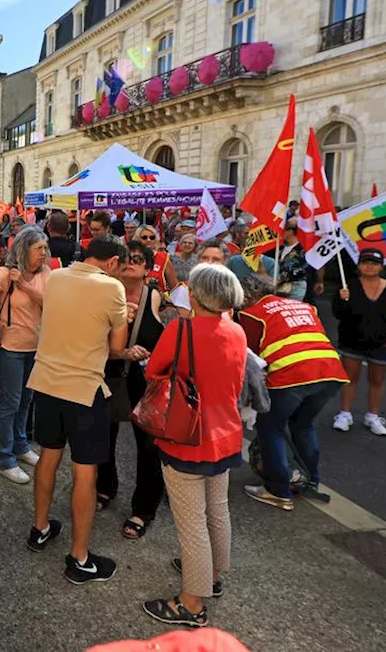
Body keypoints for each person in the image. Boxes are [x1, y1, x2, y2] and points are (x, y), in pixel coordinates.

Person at [142, 264, 247, 629]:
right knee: (217, 510)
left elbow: (153, 371)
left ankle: (191, 603)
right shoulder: (236, 331)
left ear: (197, 294)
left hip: (187, 436)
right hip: (226, 434)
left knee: (191, 525)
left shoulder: (179, 329)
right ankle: (213, 577)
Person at [27, 236, 132, 585]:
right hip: (85, 389)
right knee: (85, 473)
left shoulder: (56, 276)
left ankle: (40, 528)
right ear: (113, 262)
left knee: (48, 457)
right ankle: (80, 557)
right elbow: (117, 348)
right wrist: (123, 319)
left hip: (45, 381)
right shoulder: (113, 288)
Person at [236, 274, 349, 510]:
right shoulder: (305, 306)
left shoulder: (251, 313)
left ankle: (278, 490)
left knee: (270, 428)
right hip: (330, 371)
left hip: (291, 375)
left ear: (245, 296)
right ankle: (311, 480)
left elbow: (251, 357)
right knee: (303, 425)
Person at [99, 239, 169, 540]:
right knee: (104, 437)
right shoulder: (104, 291)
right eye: (127, 257)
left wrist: (151, 354)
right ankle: (104, 487)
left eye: (138, 259)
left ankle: (143, 509)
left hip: (146, 381)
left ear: (148, 269)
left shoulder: (155, 298)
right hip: (108, 374)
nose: (131, 262)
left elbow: (170, 340)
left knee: (148, 447)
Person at [0, 225, 51, 484]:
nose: (43, 253)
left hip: (36, 349)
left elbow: (49, 302)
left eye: (44, 248)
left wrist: (24, 285)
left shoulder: (46, 274)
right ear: (23, 248)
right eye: (38, 248)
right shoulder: (5, 273)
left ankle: (20, 446)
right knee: (10, 403)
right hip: (12, 349)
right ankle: (4, 458)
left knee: (26, 401)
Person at [331, 248, 386, 436]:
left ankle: (373, 416)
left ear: (381, 266)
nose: (369, 266)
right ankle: (345, 414)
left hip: (382, 345)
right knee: (349, 378)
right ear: (359, 265)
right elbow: (338, 314)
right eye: (365, 262)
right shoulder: (349, 286)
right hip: (352, 342)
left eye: (374, 263)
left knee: (377, 380)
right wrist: (343, 300)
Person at [136, 224, 179, 293]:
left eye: (152, 237)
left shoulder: (164, 258)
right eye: (144, 237)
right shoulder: (130, 258)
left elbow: (175, 288)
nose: (148, 240)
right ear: (137, 239)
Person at [275, 218, 309, 301]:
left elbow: (300, 270)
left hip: (295, 288)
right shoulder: (280, 248)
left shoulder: (302, 250)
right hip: (279, 288)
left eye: (284, 229)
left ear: (290, 231)